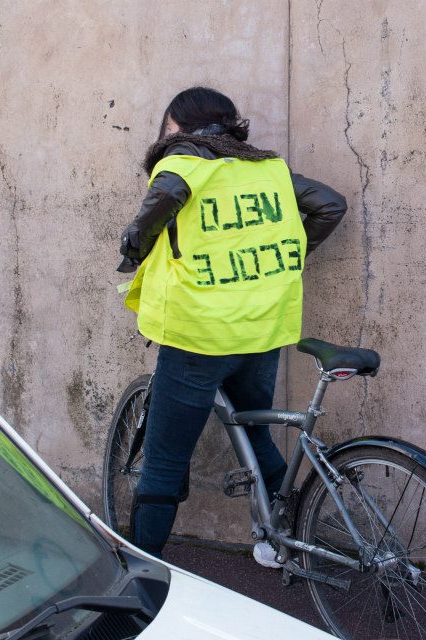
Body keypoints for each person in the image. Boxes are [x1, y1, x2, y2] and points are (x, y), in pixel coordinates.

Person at [117, 87, 346, 565]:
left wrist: (134, 244)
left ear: (176, 127)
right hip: (261, 328)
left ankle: (137, 572)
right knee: (256, 432)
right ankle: (287, 536)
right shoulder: (269, 169)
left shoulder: (181, 163)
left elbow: (167, 197)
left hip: (199, 334)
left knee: (162, 464)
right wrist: (290, 256)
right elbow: (330, 204)